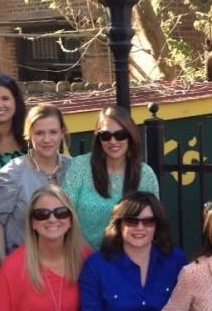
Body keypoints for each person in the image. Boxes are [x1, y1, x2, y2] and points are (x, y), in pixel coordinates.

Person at [80, 192, 187, 311]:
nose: (140, 227)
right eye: (131, 221)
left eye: (148, 221)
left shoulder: (175, 260)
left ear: (157, 225)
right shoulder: (96, 266)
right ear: (119, 224)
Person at [63, 106, 159, 249]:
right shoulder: (79, 167)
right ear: (98, 138)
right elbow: (65, 215)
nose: (113, 141)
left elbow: (152, 223)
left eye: (120, 135)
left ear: (130, 135)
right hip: (81, 257)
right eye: (106, 135)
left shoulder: (145, 175)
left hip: (128, 259)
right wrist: (90, 258)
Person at [0, 104, 72, 260]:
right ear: (29, 135)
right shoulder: (12, 173)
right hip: (23, 263)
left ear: (62, 133)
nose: (47, 139)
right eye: (39, 133)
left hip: (66, 263)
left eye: (53, 132)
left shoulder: (74, 169)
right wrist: (3, 263)